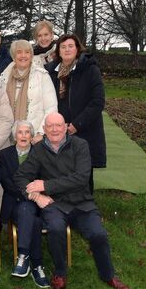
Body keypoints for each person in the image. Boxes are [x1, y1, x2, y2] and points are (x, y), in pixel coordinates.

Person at [14, 112, 130, 289]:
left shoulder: (80, 145)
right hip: (55, 204)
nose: (54, 129)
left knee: (98, 234)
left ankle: (108, 275)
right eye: (50, 126)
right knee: (56, 229)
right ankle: (60, 273)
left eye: (58, 125)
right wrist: (37, 196)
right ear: (44, 129)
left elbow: (81, 179)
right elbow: (20, 177)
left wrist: (46, 185)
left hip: (81, 202)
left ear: (66, 126)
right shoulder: (38, 150)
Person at [45, 34, 106, 192]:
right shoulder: (51, 72)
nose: (67, 50)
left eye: (70, 46)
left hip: (84, 130)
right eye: (63, 47)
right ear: (58, 51)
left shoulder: (90, 69)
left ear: (77, 48)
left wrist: (76, 125)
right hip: (58, 130)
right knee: (60, 172)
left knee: (83, 173)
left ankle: (86, 210)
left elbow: (97, 101)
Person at [0, 121, 50, 288]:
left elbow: (45, 179)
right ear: (14, 136)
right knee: (29, 214)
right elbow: (8, 183)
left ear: (32, 136)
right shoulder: (4, 154)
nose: (23, 136)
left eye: (27, 132)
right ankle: (37, 266)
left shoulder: (41, 153)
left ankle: (24, 256)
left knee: (31, 216)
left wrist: (36, 196)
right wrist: (31, 195)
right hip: (15, 203)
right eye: (20, 132)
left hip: (38, 205)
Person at [0, 39, 57, 143]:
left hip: (34, 137)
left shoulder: (42, 76)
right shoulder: (4, 77)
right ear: (13, 56)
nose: (23, 56)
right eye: (19, 52)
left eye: (27, 52)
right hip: (8, 138)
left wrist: (40, 133)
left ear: (31, 55)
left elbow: (51, 108)